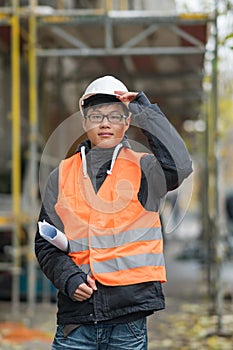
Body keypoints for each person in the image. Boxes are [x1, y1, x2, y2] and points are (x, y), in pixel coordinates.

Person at [35, 75, 193, 349]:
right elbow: (45, 243)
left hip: (127, 318)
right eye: (96, 116)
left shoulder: (146, 170)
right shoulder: (60, 175)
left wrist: (145, 111)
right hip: (76, 320)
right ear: (84, 123)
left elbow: (180, 165)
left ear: (127, 122)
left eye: (114, 116)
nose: (105, 123)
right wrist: (68, 278)